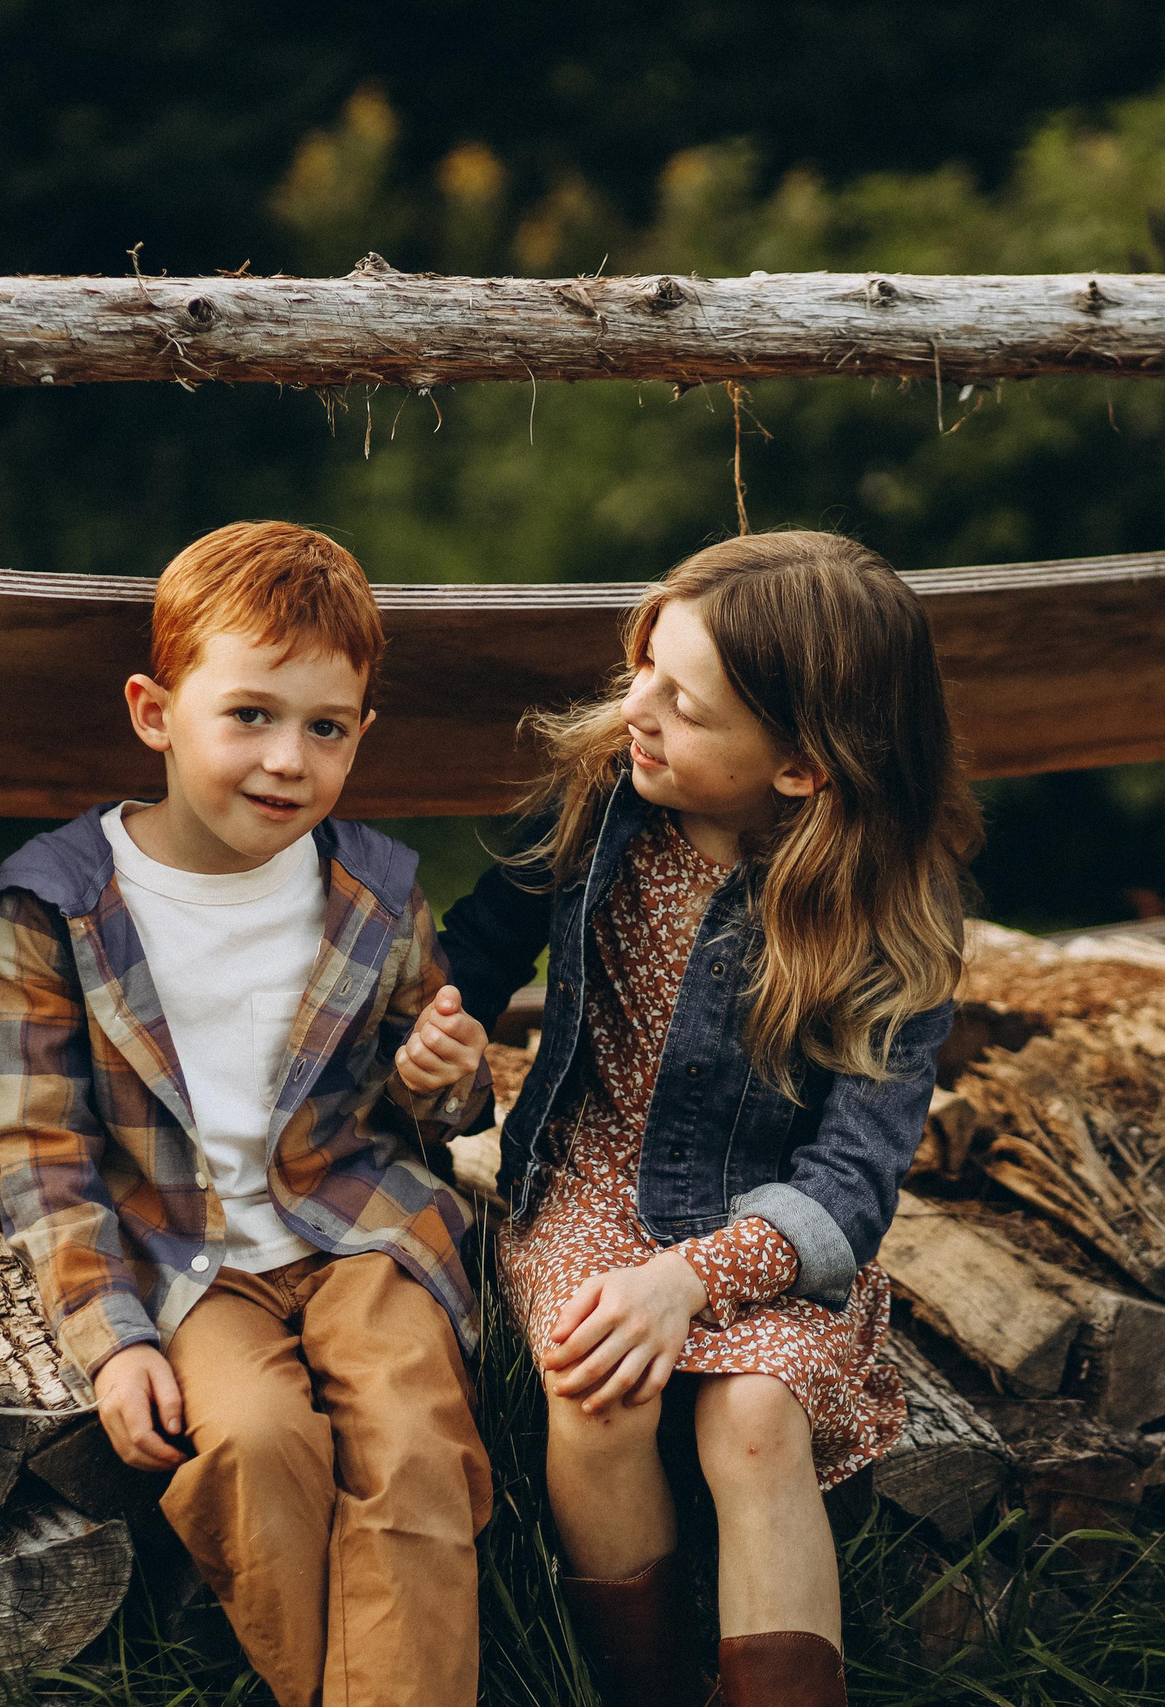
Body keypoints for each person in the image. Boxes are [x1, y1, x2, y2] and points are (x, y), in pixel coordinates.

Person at [439, 531, 980, 1707]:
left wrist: (690, 1280)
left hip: (765, 1232)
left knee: (754, 1416)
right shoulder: (597, 804)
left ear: (801, 768)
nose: (633, 707)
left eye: (681, 703)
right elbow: (471, 953)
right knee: (597, 1382)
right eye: (641, 667)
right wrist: (433, 1034)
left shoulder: (890, 913)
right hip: (589, 1186)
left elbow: (851, 1184)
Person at [0, 521, 494, 1707]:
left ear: (361, 733)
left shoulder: (375, 890)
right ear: (155, 713)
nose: (286, 761)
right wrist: (112, 1339)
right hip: (182, 1252)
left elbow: (435, 1107)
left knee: (412, 1438)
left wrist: (442, 1073)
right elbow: (43, 1152)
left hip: (362, 1231)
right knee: (255, 1446)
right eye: (250, 715)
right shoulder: (59, 904)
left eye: (326, 729)